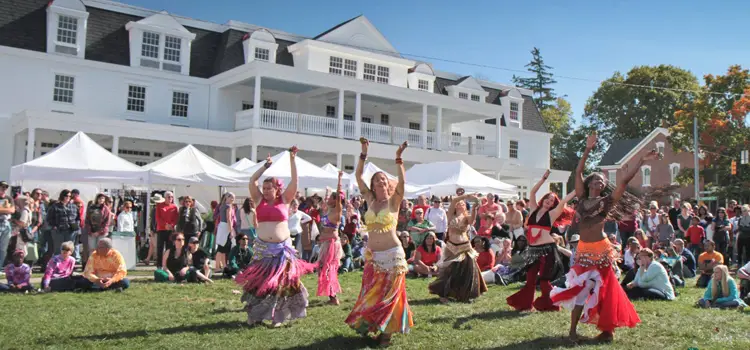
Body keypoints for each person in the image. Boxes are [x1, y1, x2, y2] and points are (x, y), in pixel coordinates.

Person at [551, 131, 645, 343]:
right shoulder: (582, 199)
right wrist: (587, 149)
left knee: (605, 289)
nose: (598, 184)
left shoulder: (606, 202)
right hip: (584, 250)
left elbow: (623, 183)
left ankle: (607, 330)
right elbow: (578, 172)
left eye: (602, 182)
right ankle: (572, 331)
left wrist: (640, 161)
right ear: (589, 183)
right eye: (596, 181)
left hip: (601, 251)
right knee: (581, 290)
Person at [235, 148, 316, 328]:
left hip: (282, 250)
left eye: (268, 188)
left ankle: (277, 317)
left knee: (280, 285)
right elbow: (252, 180)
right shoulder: (258, 200)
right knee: (260, 284)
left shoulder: (285, 200)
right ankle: (255, 315)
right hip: (263, 249)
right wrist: (265, 166)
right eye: (263, 188)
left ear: (276, 189)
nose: (264, 191)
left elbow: (295, 181)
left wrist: (292, 160)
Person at [345, 139, 413, 346]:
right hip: (373, 256)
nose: (381, 183)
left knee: (390, 296)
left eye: (383, 180)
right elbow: (358, 176)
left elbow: (402, 182)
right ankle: (375, 325)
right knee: (372, 294)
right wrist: (363, 154)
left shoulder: (395, 201)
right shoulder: (370, 200)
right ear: (373, 185)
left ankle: (387, 334)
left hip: (393, 254)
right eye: (377, 181)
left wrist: (399, 158)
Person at [507, 170, 575, 312]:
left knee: (544, 280)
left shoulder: (552, 214)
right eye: (547, 199)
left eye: (551, 201)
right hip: (532, 249)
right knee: (530, 279)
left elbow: (563, 201)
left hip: (547, 249)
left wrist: (576, 191)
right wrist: (543, 179)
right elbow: (532, 193)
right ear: (543, 199)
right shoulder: (532, 209)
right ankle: (525, 304)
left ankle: (551, 304)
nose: (548, 202)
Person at [429, 192, 487, 303]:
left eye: (463, 203)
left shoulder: (466, 217)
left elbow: (472, 220)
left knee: (468, 271)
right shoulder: (450, 214)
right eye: (459, 203)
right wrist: (468, 196)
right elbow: (455, 200)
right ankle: (444, 295)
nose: (460, 203)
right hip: (452, 247)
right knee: (450, 271)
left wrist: (475, 206)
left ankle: (466, 295)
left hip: (465, 246)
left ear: (465, 206)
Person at [317, 171, 346, 305]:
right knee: (322, 268)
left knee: (328, 269)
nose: (328, 199)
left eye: (330, 197)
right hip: (325, 243)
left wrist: (339, 180)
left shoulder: (336, 212)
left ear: (336, 200)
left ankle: (333, 297)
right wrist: (327, 192)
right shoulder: (329, 209)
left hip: (332, 244)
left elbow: (339, 195)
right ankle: (331, 295)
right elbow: (325, 202)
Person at [46, 190, 81, 257]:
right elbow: (48, 218)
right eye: (66, 196)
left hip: (71, 231)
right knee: (58, 250)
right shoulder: (54, 206)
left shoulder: (74, 206)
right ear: (62, 196)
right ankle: (58, 265)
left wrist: (76, 226)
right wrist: (54, 227)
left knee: (69, 249)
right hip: (58, 231)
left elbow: (78, 218)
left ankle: (68, 265)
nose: (68, 197)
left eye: (70, 196)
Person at [83, 193, 112, 266]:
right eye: (100, 198)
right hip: (91, 232)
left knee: (101, 248)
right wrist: (90, 231)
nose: (101, 200)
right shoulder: (91, 208)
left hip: (101, 233)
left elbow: (107, 223)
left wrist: (99, 232)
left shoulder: (106, 209)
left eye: (103, 198)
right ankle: (91, 265)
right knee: (92, 249)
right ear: (97, 199)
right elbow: (87, 220)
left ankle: (100, 264)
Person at [155, 192, 178, 270]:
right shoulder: (159, 205)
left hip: (170, 230)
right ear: (165, 197)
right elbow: (158, 218)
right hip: (161, 229)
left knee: (169, 248)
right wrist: (165, 225)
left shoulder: (174, 207)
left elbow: (176, 218)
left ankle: (168, 264)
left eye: (171, 197)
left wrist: (171, 225)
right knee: (160, 248)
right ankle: (159, 265)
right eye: (169, 197)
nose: (170, 198)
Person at [215, 192, 237, 272]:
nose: (232, 199)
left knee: (222, 248)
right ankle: (217, 267)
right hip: (225, 227)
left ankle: (223, 266)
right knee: (221, 248)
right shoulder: (228, 206)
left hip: (222, 226)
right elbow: (229, 219)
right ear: (227, 198)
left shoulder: (222, 206)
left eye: (233, 198)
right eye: (231, 197)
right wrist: (231, 230)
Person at [0, 181, 15, 270]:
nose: (4, 189)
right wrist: (6, 209)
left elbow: (12, 210)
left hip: (6, 224)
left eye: (5, 187)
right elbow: (9, 210)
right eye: (2, 187)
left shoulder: (9, 198)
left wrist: (3, 209)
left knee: (3, 248)